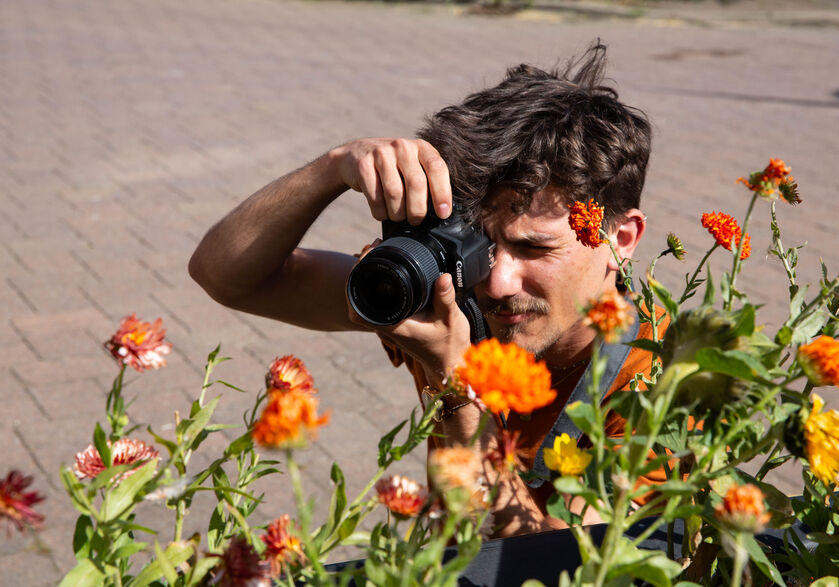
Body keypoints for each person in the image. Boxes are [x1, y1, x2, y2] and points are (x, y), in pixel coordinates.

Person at [189, 41, 657, 538]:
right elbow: (225, 275)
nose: (497, 283)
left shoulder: (664, 386)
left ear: (620, 239)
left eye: (535, 249)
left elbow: (560, 568)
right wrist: (331, 168)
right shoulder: (459, 302)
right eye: (485, 245)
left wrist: (456, 386)